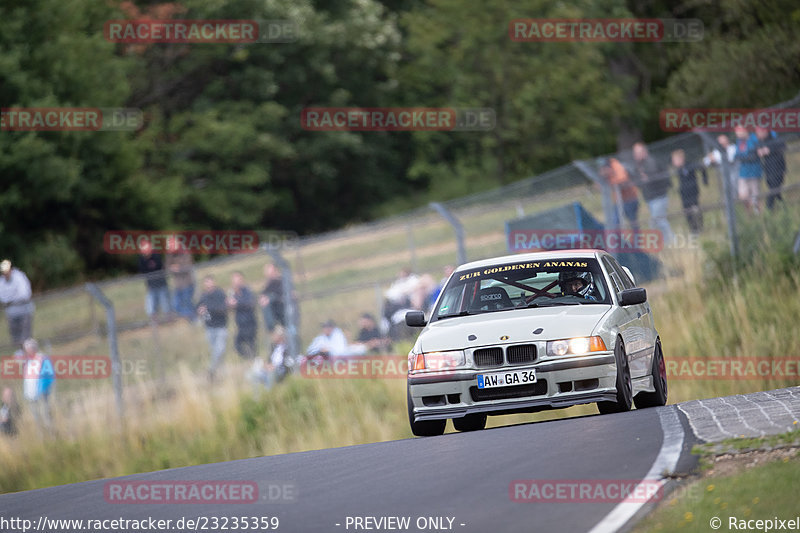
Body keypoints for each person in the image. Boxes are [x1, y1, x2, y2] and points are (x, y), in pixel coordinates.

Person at [631, 142, 674, 245]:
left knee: (656, 221)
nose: (636, 155)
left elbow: (656, 177)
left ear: (644, 152)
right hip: (650, 198)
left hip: (659, 196)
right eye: (635, 153)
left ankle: (671, 240)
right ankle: (668, 241)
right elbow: (638, 180)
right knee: (661, 220)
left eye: (639, 152)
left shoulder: (651, 162)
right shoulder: (639, 166)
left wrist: (647, 178)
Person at [19, 338, 55, 434]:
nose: (27, 351)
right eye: (26, 349)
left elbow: (49, 374)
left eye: (29, 348)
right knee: (36, 418)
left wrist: (44, 389)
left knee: (46, 415)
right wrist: (26, 393)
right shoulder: (27, 361)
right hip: (30, 394)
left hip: (42, 393)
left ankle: (51, 435)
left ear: (34, 348)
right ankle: (41, 436)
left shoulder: (42, 358)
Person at [196, 275, 228, 379]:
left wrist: (209, 308)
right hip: (209, 327)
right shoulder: (203, 296)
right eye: (206, 282)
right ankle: (221, 375)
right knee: (216, 352)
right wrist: (200, 310)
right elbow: (198, 306)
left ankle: (211, 370)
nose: (208, 285)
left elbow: (223, 308)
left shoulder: (220, 293)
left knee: (220, 349)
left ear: (214, 282)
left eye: (210, 282)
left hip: (220, 326)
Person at [671, 149, 708, 234]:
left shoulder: (690, 165)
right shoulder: (678, 170)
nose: (674, 162)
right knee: (687, 211)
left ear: (681, 159)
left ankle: (700, 227)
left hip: (693, 191)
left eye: (675, 160)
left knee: (696, 209)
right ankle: (693, 230)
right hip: (684, 193)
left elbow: (702, 167)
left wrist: (705, 179)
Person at [0, 259, 35, 348]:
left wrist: (11, 300)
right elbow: (3, 297)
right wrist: (12, 299)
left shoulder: (19, 277)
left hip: (24, 309)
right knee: (15, 334)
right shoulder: (2, 282)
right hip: (11, 312)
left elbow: (24, 294)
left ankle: (29, 351)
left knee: (26, 333)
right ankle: (20, 351)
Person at [599, 157, 640, 229]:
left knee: (633, 222)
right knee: (615, 222)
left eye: (605, 168)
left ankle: (637, 239)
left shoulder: (617, 167)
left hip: (630, 199)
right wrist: (604, 178)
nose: (603, 170)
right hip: (618, 202)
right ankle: (617, 239)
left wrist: (611, 181)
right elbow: (598, 185)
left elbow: (623, 183)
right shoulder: (604, 173)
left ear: (608, 166)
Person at [755, 127, 787, 210]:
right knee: (776, 191)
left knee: (773, 189)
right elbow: (756, 150)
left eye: (758, 133)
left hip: (778, 169)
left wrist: (769, 150)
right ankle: (784, 207)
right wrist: (759, 151)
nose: (757, 135)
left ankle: (769, 209)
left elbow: (783, 146)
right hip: (768, 170)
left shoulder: (774, 138)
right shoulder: (760, 142)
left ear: (765, 131)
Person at [137, 239, 170, 318]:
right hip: (151, 286)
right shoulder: (141, 259)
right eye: (144, 248)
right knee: (151, 306)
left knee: (165, 304)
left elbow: (159, 267)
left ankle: (169, 319)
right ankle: (155, 323)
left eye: (148, 247)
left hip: (162, 284)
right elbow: (143, 271)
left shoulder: (156, 255)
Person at [228, 271, 257, 359]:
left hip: (249, 322)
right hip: (240, 324)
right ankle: (249, 358)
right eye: (233, 280)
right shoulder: (233, 293)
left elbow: (250, 303)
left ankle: (253, 359)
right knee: (237, 345)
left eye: (237, 280)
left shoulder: (247, 291)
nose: (235, 282)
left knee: (251, 343)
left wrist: (237, 303)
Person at [165, 238, 195, 321]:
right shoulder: (169, 254)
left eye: (171, 245)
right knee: (176, 305)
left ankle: (193, 319)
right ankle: (190, 316)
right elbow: (167, 268)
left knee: (187, 303)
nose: (170, 247)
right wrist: (172, 268)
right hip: (177, 285)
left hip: (187, 283)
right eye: (169, 245)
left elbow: (188, 266)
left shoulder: (185, 251)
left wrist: (178, 268)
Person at [734, 126, 762, 213]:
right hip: (743, 173)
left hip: (754, 172)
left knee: (755, 195)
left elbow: (754, 155)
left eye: (739, 132)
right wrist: (746, 156)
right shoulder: (739, 142)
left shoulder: (753, 139)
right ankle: (749, 213)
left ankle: (758, 213)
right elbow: (736, 156)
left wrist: (745, 156)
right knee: (742, 196)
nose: (737, 135)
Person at [259, 263, 285, 333]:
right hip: (275, 314)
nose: (270, 275)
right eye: (268, 273)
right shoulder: (269, 283)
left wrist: (269, 298)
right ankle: (272, 328)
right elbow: (263, 294)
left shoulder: (282, 280)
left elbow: (281, 294)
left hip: (284, 312)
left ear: (276, 270)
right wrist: (263, 298)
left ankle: (273, 327)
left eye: (272, 272)